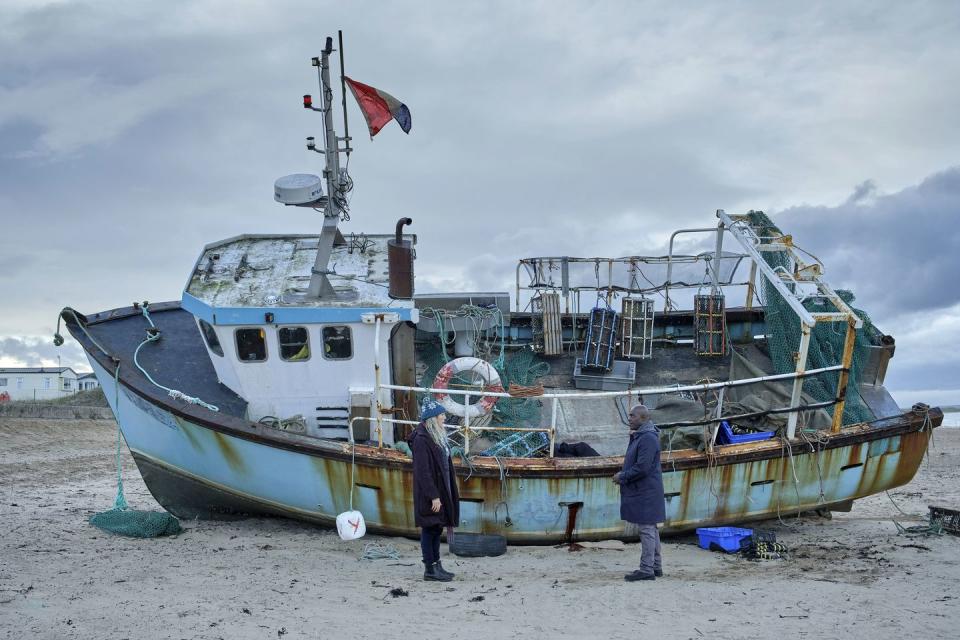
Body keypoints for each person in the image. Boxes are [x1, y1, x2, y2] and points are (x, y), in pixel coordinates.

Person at [409, 398, 460, 582]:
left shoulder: (435, 436)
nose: (444, 418)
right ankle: (429, 569)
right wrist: (434, 496)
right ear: (432, 418)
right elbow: (423, 471)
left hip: (441, 491)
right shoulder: (422, 440)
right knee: (429, 529)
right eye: (441, 415)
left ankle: (437, 565)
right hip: (431, 495)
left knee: (437, 529)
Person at [613, 404, 666, 581]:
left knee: (647, 529)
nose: (629, 419)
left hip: (647, 491)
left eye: (633, 416)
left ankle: (646, 570)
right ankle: (655, 566)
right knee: (651, 528)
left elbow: (642, 468)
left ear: (643, 418)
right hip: (646, 489)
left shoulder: (648, 439)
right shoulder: (641, 437)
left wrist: (622, 476)